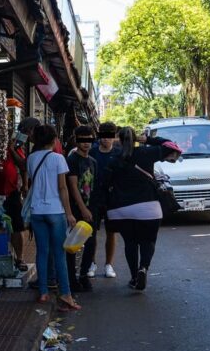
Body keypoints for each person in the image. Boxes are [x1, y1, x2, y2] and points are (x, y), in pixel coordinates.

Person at [105, 127, 182, 291]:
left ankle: (134, 277)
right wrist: (146, 140)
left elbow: (106, 184)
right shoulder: (147, 153)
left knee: (130, 243)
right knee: (148, 241)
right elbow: (171, 146)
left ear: (119, 139)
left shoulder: (113, 158)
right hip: (148, 207)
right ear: (135, 139)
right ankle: (143, 268)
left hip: (121, 208)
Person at [26, 124, 80, 310]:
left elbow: (31, 183)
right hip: (55, 211)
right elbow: (63, 188)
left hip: (36, 211)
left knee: (42, 252)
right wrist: (70, 213)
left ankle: (43, 292)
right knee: (59, 254)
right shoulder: (58, 158)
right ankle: (65, 294)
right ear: (53, 140)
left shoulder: (31, 158)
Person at [0, 117, 40, 271]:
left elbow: (23, 165)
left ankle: (19, 258)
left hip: (11, 192)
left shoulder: (17, 148)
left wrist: (25, 185)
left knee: (17, 226)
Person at [65, 126, 98, 291]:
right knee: (73, 245)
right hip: (76, 209)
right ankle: (72, 280)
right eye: (82, 139)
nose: (86, 143)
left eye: (89, 139)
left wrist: (92, 209)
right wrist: (82, 209)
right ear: (77, 141)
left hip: (90, 209)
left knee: (91, 243)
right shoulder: (72, 160)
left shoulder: (93, 162)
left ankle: (84, 275)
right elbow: (72, 187)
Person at [88, 122, 121, 279]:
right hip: (94, 198)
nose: (106, 139)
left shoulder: (119, 153)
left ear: (114, 137)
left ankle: (108, 265)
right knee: (91, 233)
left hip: (112, 198)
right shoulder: (92, 152)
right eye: (104, 136)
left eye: (110, 136)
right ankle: (91, 263)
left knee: (111, 232)